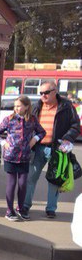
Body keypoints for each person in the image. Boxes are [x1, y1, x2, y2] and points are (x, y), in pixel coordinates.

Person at [24, 81, 80, 219]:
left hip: (57, 149)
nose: (43, 96)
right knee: (31, 177)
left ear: (55, 91)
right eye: (41, 93)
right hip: (38, 148)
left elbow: (75, 125)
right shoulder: (37, 106)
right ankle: (25, 205)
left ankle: (51, 209)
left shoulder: (66, 106)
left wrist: (67, 138)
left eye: (46, 93)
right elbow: (27, 124)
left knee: (54, 180)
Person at [0, 95, 45, 222]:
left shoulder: (32, 120)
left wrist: (35, 139)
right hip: (10, 156)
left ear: (26, 107)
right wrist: (4, 142)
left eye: (19, 106)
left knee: (22, 184)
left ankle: (21, 209)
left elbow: (42, 132)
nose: (16, 108)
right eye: (15, 106)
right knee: (12, 183)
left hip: (25, 157)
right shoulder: (9, 119)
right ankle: (9, 211)